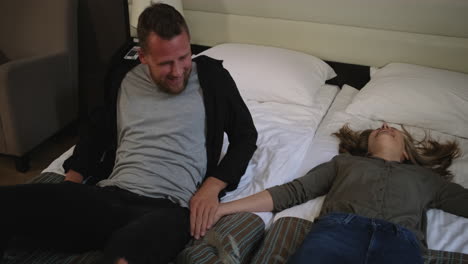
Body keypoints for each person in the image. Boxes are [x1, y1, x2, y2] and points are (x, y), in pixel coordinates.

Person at [0, 3, 257, 264]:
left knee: (125, 252)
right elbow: (96, 129)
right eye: (166, 63)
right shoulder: (123, 77)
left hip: (169, 208)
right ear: (143, 57)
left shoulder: (213, 79)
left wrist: (212, 186)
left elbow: (246, 136)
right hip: (109, 196)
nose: (178, 71)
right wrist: (72, 184)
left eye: (184, 57)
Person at [210, 123, 468, 264]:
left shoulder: (426, 178)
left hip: (399, 241)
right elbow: (294, 191)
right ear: (367, 146)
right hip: (339, 232)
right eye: (378, 129)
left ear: (405, 151)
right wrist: (223, 208)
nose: (385, 125)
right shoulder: (343, 163)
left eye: (394, 130)